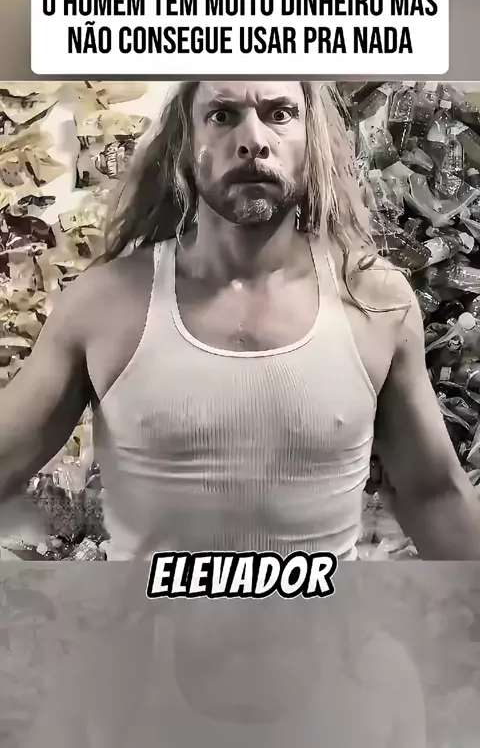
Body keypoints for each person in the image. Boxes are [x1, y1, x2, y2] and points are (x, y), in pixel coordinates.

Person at [0, 79, 480, 560]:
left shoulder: (376, 302)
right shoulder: (104, 304)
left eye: (279, 114)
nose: (253, 140)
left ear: (311, 138)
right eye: (222, 116)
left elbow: (436, 496)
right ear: (187, 144)